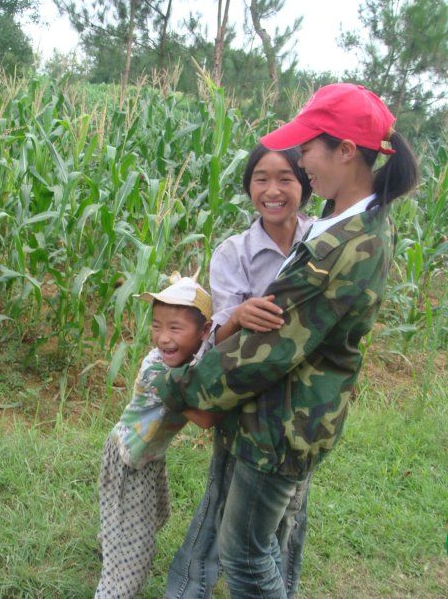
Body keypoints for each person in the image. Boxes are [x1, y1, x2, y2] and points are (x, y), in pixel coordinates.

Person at [154, 83, 419, 597]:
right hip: (277, 418)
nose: (302, 162)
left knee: (246, 555)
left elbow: (267, 350)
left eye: (308, 149)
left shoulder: (342, 245)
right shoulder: (346, 226)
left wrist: (178, 388)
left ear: (346, 150)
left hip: (281, 425)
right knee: (252, 544)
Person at [165, 144, 315, 597]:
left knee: (290, 507)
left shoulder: (322, 243)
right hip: (244, 401)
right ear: (249, 186)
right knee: (223, 494)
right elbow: (216, 337)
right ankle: (188, 588)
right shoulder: (234, 253)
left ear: (305, 183)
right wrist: (239, 317)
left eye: (285, 178)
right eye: (260, 179)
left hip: (302, 403)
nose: (272, 190)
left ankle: (280, 587)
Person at [96, 274, 222, 598]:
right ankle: (116, 580)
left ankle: (114, 540)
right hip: (128, 461)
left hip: (150, 457)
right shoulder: (160, 372)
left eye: (175, 327)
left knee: (156, 515)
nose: (163, 337)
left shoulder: (188, 360)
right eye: (156, 326)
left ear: (204, 331)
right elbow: (207, 419)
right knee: (134, 559)